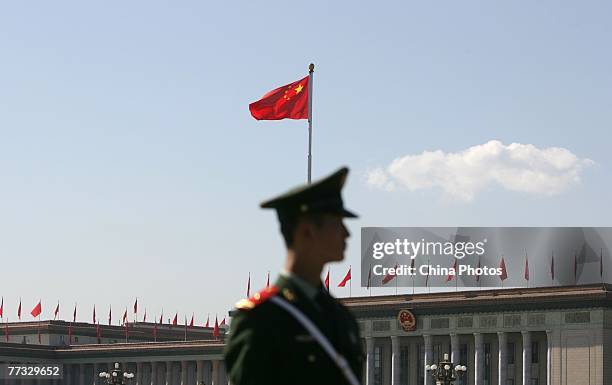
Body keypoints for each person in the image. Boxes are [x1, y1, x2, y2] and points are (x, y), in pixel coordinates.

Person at [224, 167, 363, 385]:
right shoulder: (261, 319)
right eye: (337, 223)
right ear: (307, 231)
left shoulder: (342, 318)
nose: (347, 233)